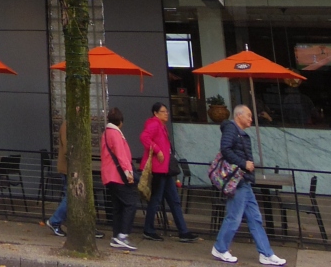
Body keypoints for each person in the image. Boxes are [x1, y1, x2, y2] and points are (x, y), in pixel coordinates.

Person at [211, 104, 286, 266]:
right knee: (234, 217)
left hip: (243, 180)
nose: (251, 119)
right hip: (238, 180)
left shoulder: (236, 131)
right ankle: (220, 248)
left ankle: (266, 253)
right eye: (249, 115)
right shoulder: (231, 129)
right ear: (239, 115)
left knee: (254, 218)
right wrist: (244, 163)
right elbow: (225, 149)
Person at [139, 102, 199, 243]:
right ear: (156, 113)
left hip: (164, 170)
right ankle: (149, 229)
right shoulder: (154, 124)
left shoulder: (161, 126)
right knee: (157, 200)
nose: (166, 113)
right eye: (163, 111)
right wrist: (158, 150)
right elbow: (144, 137)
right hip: (158, 169)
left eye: (167, 111)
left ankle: (183, 231)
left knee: (173, 200)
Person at [102, 107, 138, 252]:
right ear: (120, 122)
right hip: (117, 175)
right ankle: (122, 235)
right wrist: (128, 173)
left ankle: (116, 235)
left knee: (117, 206)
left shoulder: (106, 133)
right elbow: (121, 155)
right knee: (130, 203)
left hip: (109, 175)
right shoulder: (116, 134)